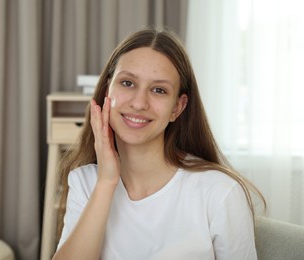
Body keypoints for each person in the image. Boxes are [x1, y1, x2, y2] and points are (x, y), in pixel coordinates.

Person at [52, 27, 266, 260]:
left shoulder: (220, 192)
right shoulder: (85, 182)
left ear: (177, 107)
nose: (139, 103)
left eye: (158, 90)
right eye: (127, 83)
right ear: (107, 91)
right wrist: (106, 182)